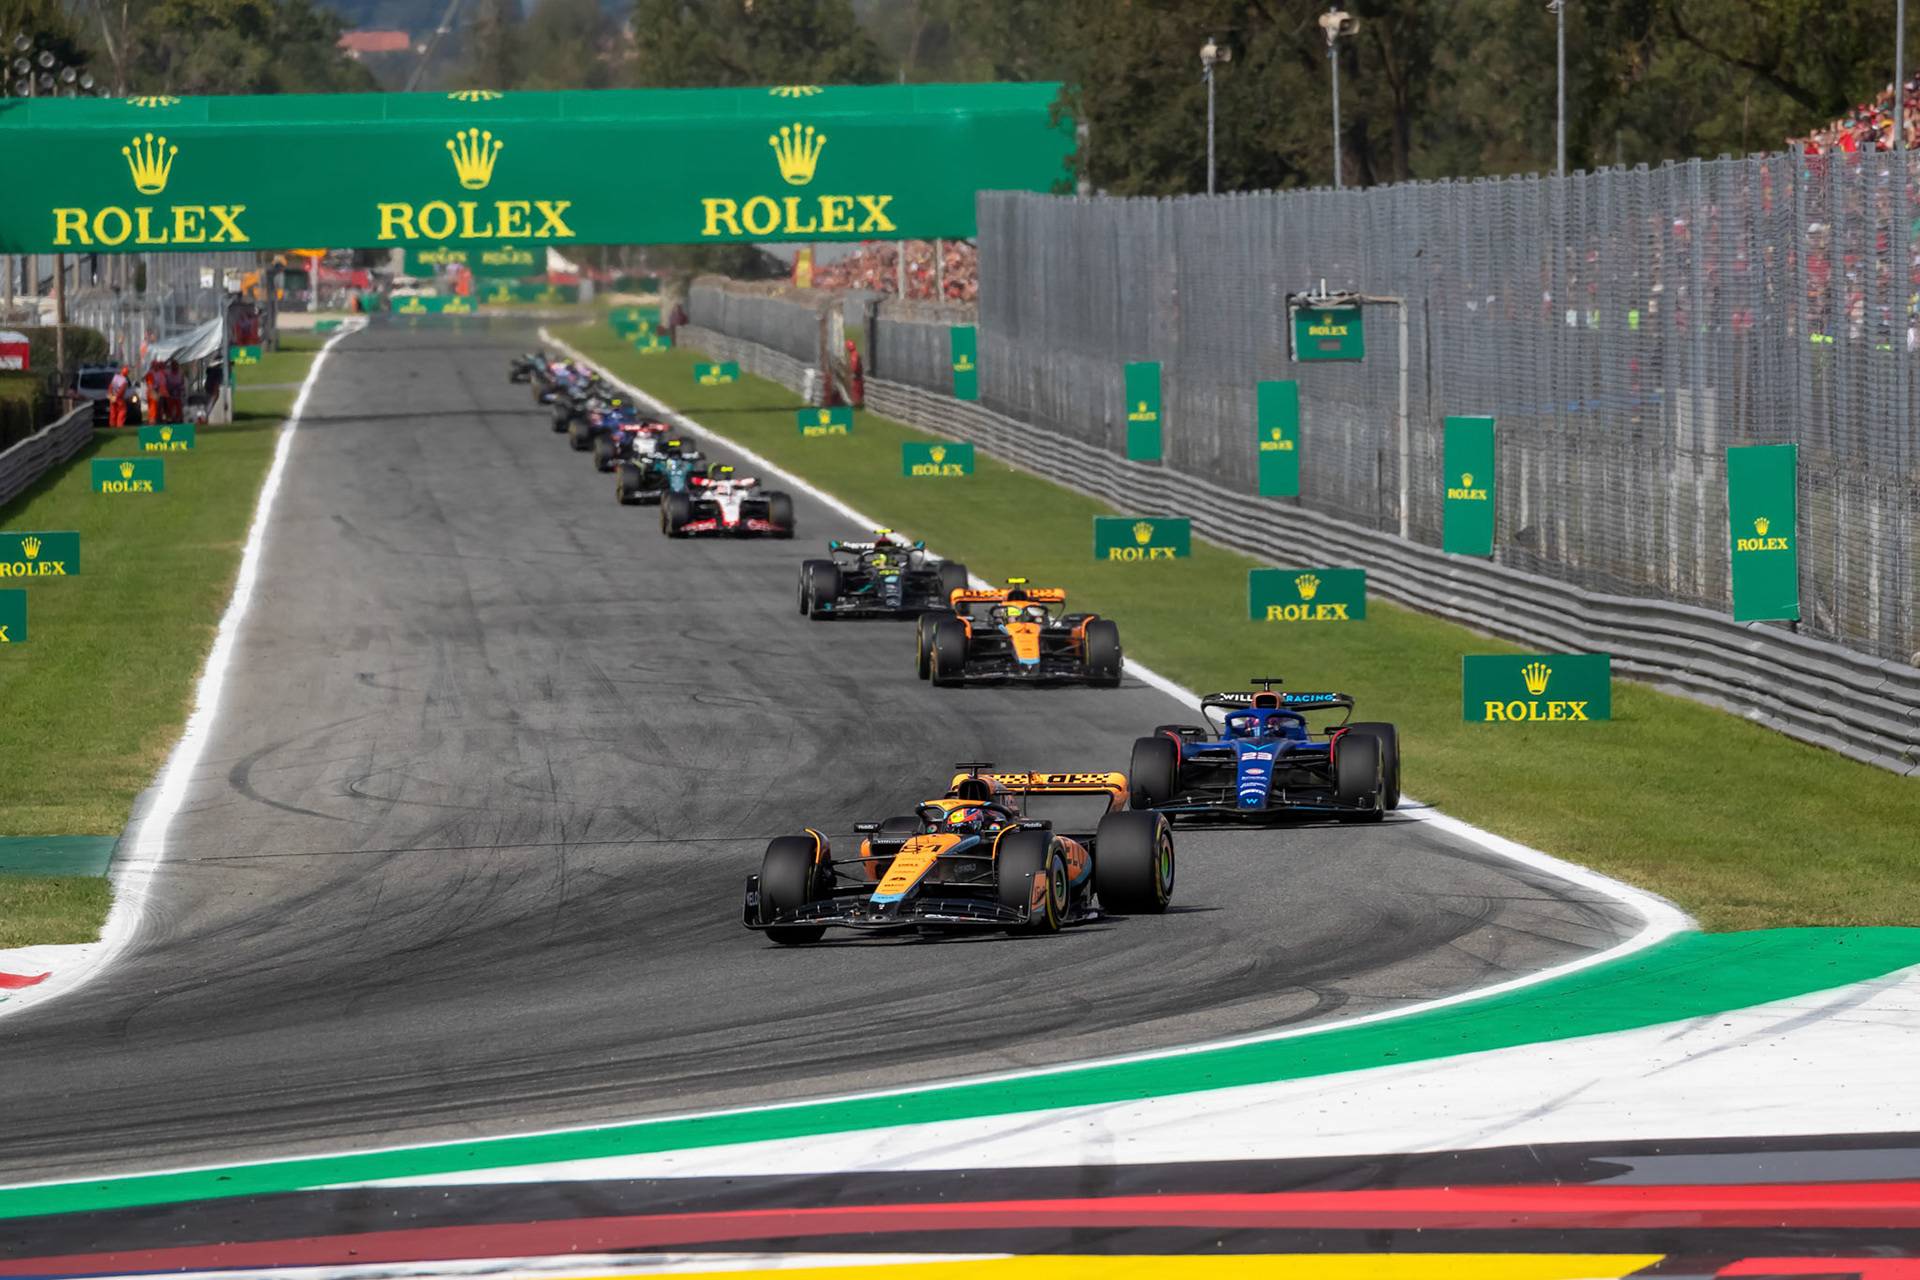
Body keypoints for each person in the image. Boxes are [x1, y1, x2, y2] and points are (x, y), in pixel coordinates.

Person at [845, 338, 864, 407]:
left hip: (856, 375)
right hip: (858, 375)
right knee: (857, 388)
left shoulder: (854, 355)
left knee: (855, 389)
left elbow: (854, 365)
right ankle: (858, 402)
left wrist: (853, 372)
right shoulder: (855, 354)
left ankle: (856, 403)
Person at [164, 360, 184, 424]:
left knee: (179, 405)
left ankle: (179, 417)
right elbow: (166, 381)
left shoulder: (180, 372)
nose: (175, 367)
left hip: (178, 390)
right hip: (171, 390)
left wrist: (182, 388)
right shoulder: (168, 373)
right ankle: (169, 418)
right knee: (170, 405)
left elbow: (182, 381)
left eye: (176, 365)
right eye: (173, 365)